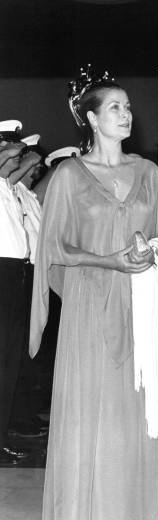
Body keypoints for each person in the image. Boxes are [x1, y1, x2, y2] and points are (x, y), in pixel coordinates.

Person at [29, 69, 158, 520]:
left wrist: (150, 253)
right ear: (93, 118)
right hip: (90, 306)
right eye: (115, 106)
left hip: (142, 306)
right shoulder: (69, 177)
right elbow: (53, 248)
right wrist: (108, 261)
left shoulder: (148, 174)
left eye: (128, 105)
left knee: (132, 416)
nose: (126, 112)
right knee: (91, 414)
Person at [0, 120, 39, 465]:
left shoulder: (7, 187)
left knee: (10, 358)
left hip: (15, 274)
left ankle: (5, 431)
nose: (18, 158)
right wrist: (17, 149)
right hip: (3, 274)